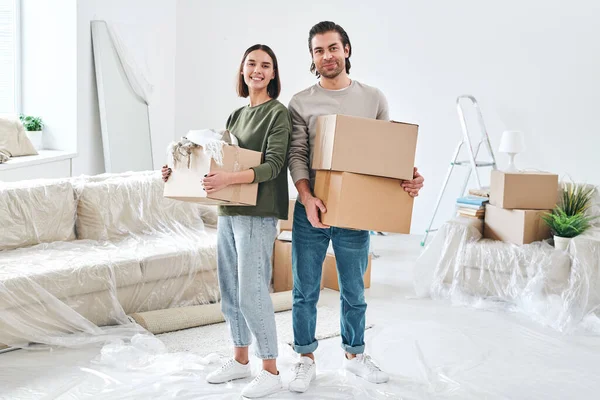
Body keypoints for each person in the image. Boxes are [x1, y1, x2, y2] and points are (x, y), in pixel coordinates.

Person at [286, 21, 425, 392]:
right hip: (311, 209)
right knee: (305, 290)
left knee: (354, 291)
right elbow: (297, 155)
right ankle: (304, 358)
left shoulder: (373, 98)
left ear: (346, 49)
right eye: (318, 50)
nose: (327, 56)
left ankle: (354, 355)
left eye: (333, 48)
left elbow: (383, 155)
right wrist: (306, 197)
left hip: (355, 212)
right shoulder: (300, 102)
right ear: (313, 58)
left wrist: (407, 177)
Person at [162, 44, 291, 399]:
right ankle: (240, 359)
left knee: (252, 292)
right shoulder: (236, 116)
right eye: (251, 64)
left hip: (259, 213)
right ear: (242, 70)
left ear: (274, 74)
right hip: (229, 212)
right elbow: (217, 163)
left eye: (265, 65)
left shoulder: (277, 114)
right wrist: (177, 172)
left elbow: (274, 166)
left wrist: (227, 181)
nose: (257, 70)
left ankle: (271, 369)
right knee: (231, 291)